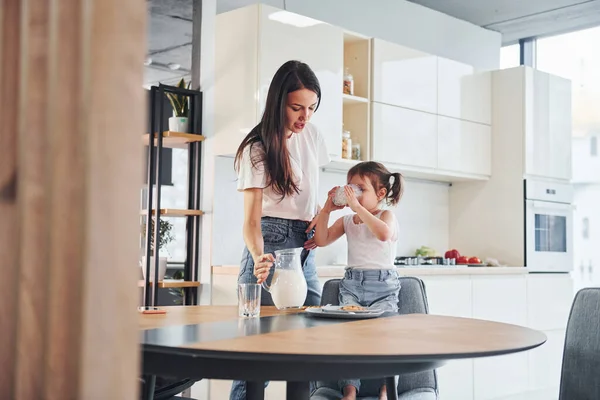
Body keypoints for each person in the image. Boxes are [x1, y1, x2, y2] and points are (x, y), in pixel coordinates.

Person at [230, 60, 330, 400]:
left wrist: (318, 215)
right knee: (256, 363)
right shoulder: (257, 148)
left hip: (305, 248)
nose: (305, 117)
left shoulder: (312, 135)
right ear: (278, 103)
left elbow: (307, 196)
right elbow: (251, 221)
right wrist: (260, 258)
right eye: (296, 108)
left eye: (312, 108)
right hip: (270, 244)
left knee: (306, 354)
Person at [314, 161, 405, 400]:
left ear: (381, 193)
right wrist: (326, 209)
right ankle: (350, 391)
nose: (354, 193)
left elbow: (383, 233)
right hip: (352, 286)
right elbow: (321, 239)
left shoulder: (386, 215)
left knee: (387, 340)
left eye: (361, 189)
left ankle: (386, 391)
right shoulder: (347, 222)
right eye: (350, 188)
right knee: (349, 340)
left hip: (383, 287)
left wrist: (356, 206)